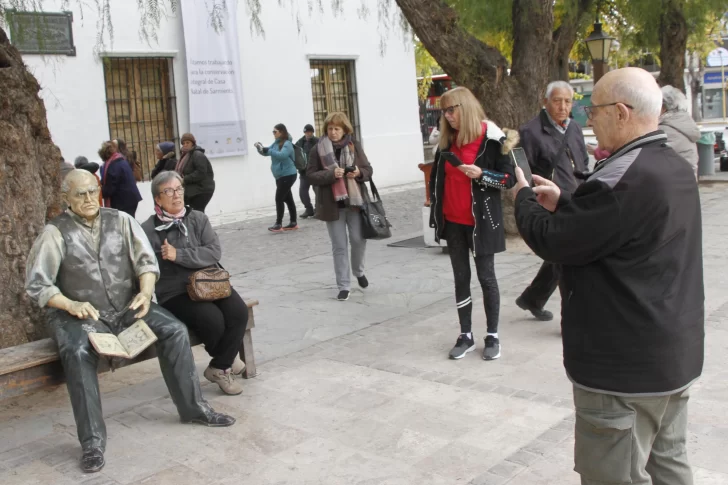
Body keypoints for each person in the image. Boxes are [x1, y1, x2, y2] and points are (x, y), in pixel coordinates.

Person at [513, 67, 703, 485]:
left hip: (624, 370)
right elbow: (621, 228)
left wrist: (522, 196)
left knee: (612, 475)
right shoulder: (670, 164)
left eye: (591, 109)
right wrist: (566, 202)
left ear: (620, 112)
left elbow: (553, 241)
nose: (584, 119)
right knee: (669, 464)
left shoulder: (625, 176)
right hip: (672, 356)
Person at [25, 170, 235, 474]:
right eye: (79, 194)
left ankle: (194, 409)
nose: (87, 199)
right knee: (78, 352)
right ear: (65, 198)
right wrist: (70, 304)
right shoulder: (54, 232)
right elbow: (38, 285)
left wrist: (147, 292)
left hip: (128, 304)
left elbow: (146, 261)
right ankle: (92, 440)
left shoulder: (121, 220)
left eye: (91, 191)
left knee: (174, 330)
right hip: (78, 313)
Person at [428, 87, 517, 361]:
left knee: (486, 278)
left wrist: (482, 175)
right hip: (453, 222)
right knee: (461, 278)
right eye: (444, 111)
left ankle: (492, 335)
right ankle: (465, 334)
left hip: (482, 223)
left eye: (451, 109)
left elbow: (508, 179)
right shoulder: (446, 142)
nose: (447, 115)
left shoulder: (492, 139)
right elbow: (437, 181)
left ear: (465, 108)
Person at [141, 171, 248, 396]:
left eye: (179, 189)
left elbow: (213, 251)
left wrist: (178, 255)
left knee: (238, 312)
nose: (176, 195)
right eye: (168, 191)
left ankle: (219, 366)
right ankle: (227, 361)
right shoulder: (148, 230)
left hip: (209, 282)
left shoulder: (197, 218)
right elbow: (146, 266)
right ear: (158, 199)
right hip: (175, 291)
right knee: (212, 320)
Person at [515, 80, 589, 322]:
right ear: (545, 102)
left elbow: (582, 161)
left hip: (575, 197)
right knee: (568, 254)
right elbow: (524, 168)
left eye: (568, 101)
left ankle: (533, 298)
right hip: (550, 201)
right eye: (557, 100)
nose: (562, 106)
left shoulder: (574, 128)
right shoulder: (531, 131)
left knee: (561, 254)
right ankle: (571, 313)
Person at [306, 112, 372, 301]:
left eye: (337, 129)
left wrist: (358, 173)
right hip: (331, 205)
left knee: (358, 240)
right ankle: (343, 285)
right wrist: (331, 175)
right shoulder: (317, 149)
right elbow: (310, 175)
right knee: (339, 246)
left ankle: (359, 271)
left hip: (355, 203)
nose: (333, 132)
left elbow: (368, 170)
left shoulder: (354, 146)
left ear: (344, 130)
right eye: (330, 129)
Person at [255, 124, 298, 232]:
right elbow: (267, 152)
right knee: (288, 199)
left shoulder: (287, 143)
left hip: (288, 174)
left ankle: (278, 224)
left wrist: (268, 151)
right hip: (280, 176)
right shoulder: (276, 143)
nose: (273, 134)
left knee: (279, 198)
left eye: (275, 132)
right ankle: (293, 223)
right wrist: (260, 149)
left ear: (281, 132)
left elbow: (282, 155)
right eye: (273, 132)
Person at [659, 85, 700, 180]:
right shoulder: (683, 122)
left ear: (664, 107)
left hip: (674, 186)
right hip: (688, 186)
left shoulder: (665, 129)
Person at [98, 141, 143, 217]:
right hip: (130, 199)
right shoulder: (120, 160)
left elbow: (110, 188)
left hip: (124, 201)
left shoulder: (114, 165)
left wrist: (99, 192)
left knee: (124, 224)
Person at [176, 133, 216, 213]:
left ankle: (202, 225)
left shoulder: (197, 154)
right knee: (194, 213)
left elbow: (201, 172)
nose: (185, 145)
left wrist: (185, 179)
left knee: (198, 213)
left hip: (202, 190)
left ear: (193, 143)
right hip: (193, 190)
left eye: (187, 142)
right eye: (183, 143)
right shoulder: (185, 156)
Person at [294, 124, 319, 218]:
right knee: (303, 191)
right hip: (304, 171)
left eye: (309, 132)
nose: (308, 134)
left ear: (312, 132)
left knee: (317, 191)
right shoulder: (300, 142)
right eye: (306, 132)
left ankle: (318, 209)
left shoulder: (318, 141)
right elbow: (295, 153)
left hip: (315, 171)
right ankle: (309, 209)